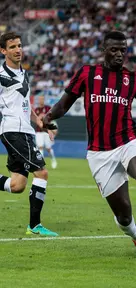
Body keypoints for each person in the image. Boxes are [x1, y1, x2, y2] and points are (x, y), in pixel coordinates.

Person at [43, 30, 136, 256]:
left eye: (123, 50)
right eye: (113, 50)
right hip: (99, 153)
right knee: (124, 217)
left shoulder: (133, 79)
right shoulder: (87, 73)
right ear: (103, 50)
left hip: (129, 141)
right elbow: (64, 104)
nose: (119, 54)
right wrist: (48, 117)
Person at [0, 32, 58, 236]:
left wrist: (42, 123)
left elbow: (26, 105)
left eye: (19, 45)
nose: (18, 50)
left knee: (17, 185)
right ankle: (34, 225)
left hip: (26, 130)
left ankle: (34, 225)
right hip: (13, 130)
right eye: (13, 46)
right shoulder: (0, 74)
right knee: (42, 172)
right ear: (3, 50)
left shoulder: (24, 73)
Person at [35, 95, 58, 169]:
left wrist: (44, 116)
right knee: (40, 147)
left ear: (44, 100)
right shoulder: (36, 109)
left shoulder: (48, 108)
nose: (41, 100)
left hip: (47, 131)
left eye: (42, 99)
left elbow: (51, 117)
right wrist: (39, 117)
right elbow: (36, 120)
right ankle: (42, 164)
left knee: (48, 148)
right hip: (38, 131)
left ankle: (53, 159)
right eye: (40, 99)